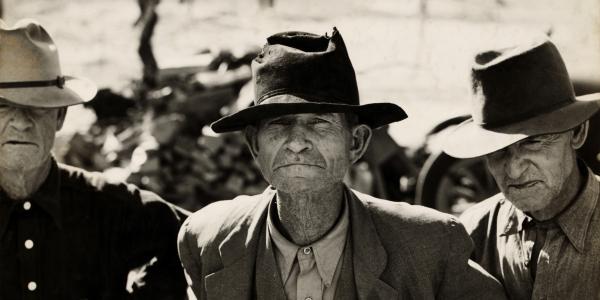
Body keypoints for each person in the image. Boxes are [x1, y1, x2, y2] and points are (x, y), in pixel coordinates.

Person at [178, 28, 506, 299]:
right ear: (254, 144)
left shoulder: (428, 247)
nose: (296, 142)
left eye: (319, 123)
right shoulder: (209, 239)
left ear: (356, 142)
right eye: (278, 124)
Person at [0, 19, 188, 299]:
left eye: (37, 107)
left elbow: (200, 236)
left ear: (60, 116)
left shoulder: (107, 204)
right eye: (4, 107)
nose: (21, 123)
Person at [442, 38, 600, 299]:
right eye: (497, 151)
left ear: (577, 133)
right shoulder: (472, 233)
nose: (514, 171)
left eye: (533, 142)